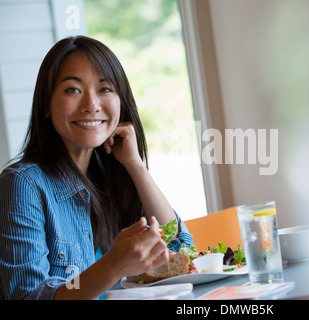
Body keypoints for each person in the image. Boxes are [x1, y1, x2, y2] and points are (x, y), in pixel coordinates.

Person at [0, 35, 194, 300]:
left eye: (104, 89)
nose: (91, 105)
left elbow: (179, 251)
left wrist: (135, 165)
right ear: (46, 104)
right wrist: (112, 266)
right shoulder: (23, 184)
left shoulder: (115, 176)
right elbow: (29, 296)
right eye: (73, 90)